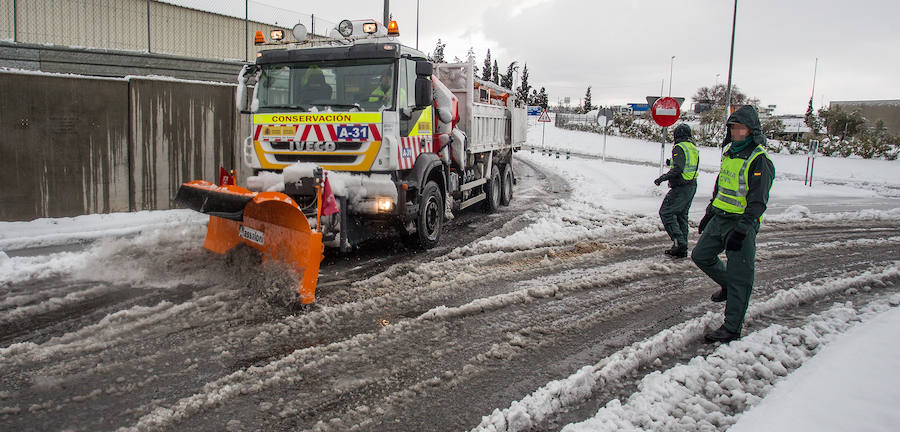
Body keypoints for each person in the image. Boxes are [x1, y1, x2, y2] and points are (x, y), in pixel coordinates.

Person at [691, 105, 775, 343]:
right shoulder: (730, 153)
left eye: (741, 128)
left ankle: (732, 327)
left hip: (741, 224)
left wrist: (744, 228)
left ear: (751, 130)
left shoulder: (759, 160)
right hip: (720, 217)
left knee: (741, 277)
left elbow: (758, 201)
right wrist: (709, 213)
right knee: (701, 255)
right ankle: (727, 284)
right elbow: (721, 186)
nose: (737, 132)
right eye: (733, 128)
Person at [654, 123, 699, 258]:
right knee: (681, 216)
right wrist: (671, 162)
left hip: (681, 186)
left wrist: (663, 177)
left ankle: (679, 243)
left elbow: (679, 168)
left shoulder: (679, 147)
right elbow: (685, 164)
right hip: (691, 185)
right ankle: (681, 248)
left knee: (666, 212)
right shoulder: (692, 147)